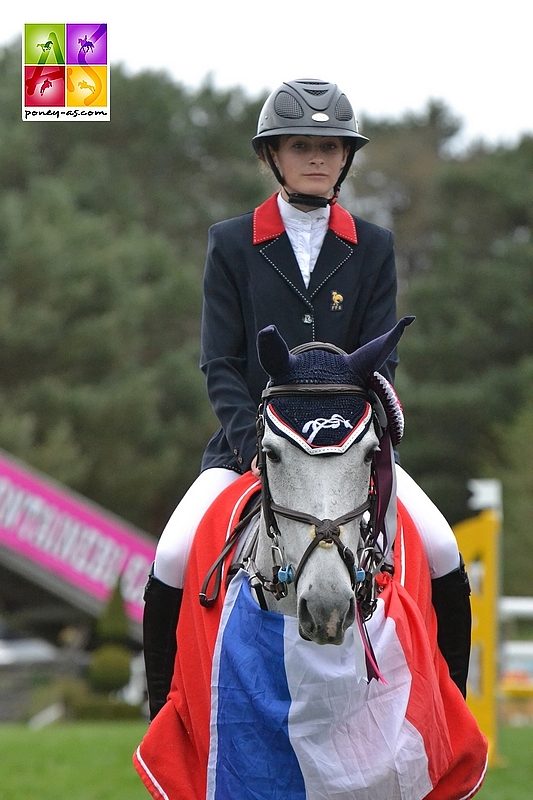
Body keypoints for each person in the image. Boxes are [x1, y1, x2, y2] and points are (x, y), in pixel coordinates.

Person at [143, 78, 471, 720]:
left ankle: (450, 717)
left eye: (330, 146)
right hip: (252, 444)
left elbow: (384, 357)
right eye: (302, 145)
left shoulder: (372, 246)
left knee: (442, 549)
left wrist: (363, 444)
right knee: (173, 553)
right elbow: (219, 361)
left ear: (346, 157)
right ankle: (163, 718)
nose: (318, 157)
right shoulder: (232, 242)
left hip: (347, 447)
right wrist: (253, 449)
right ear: (275, 155)